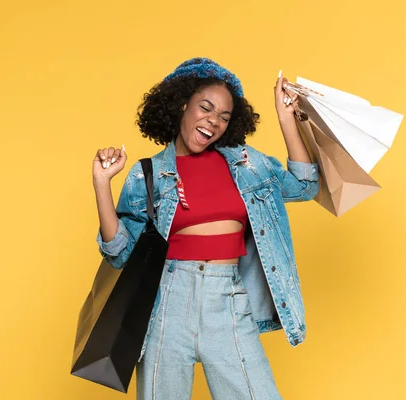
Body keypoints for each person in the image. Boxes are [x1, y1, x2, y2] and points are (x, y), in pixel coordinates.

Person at [92, 58, 319, 400]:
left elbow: (305, 186)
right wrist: (101, 185)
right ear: (182, 105)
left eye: (224, 117)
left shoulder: (246, 164)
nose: (213, 122)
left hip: (227, 300)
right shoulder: (147, 173)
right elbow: (120, 253)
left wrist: (286, 118)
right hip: (167, 303)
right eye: (206, 108)